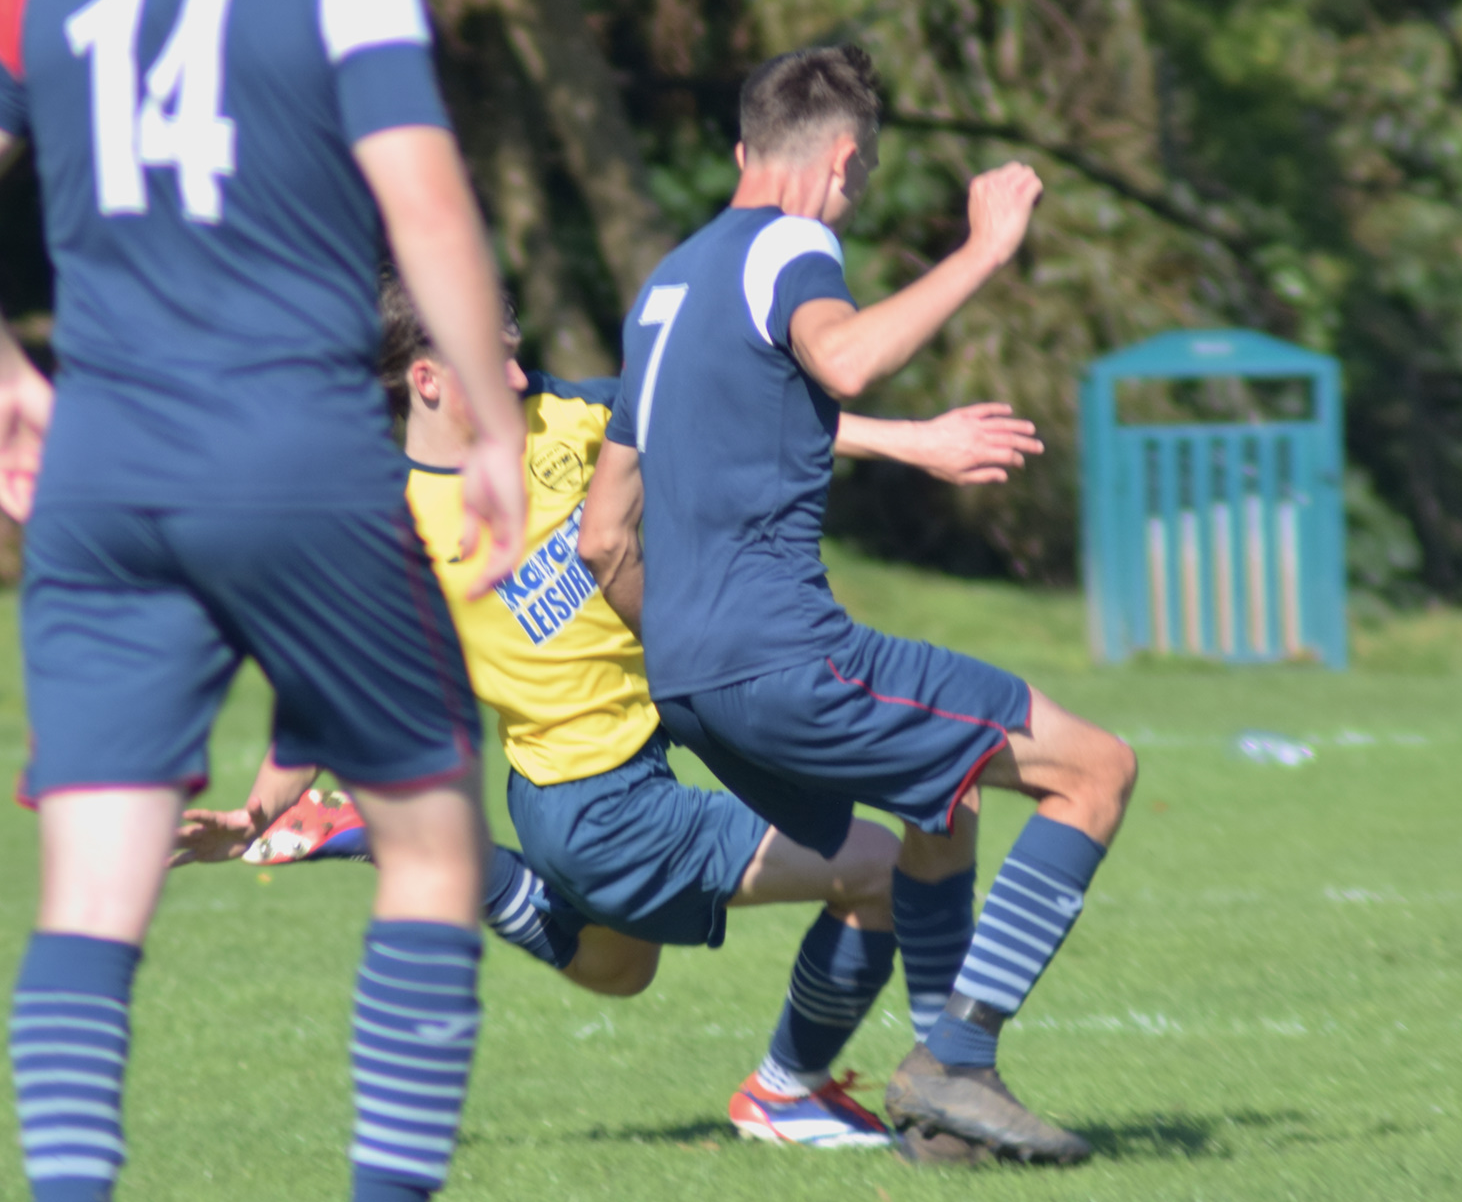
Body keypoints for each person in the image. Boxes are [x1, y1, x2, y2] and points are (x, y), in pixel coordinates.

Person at [0, 0, 525, 1202]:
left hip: (104, 479)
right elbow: (425, 205)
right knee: (427, 846)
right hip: (297, 454)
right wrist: (487, 411)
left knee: (90, 900)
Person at [174, 277, 1048, 1151]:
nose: (518, 379)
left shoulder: (572, 414)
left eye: (514, 354)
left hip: (620, 766)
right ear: (429, 380)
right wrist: (255, 816)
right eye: (494, 361)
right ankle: (789, 1090)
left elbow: (739, 428)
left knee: (622, 968)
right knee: (880, 869)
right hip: (594, 806)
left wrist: (916, 439)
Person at [578, 46, 1138, 1165]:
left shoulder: (666, 285)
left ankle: (941, 1111)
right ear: (838, 162)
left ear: (743, 152)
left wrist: (692, 642)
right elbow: (841, 360)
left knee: (944, 807)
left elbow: (602, 532)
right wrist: (983, 248)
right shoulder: (793, 241)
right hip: (785, 657)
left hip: (689, 677)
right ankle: (958, 1060)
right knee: (1095, 770)